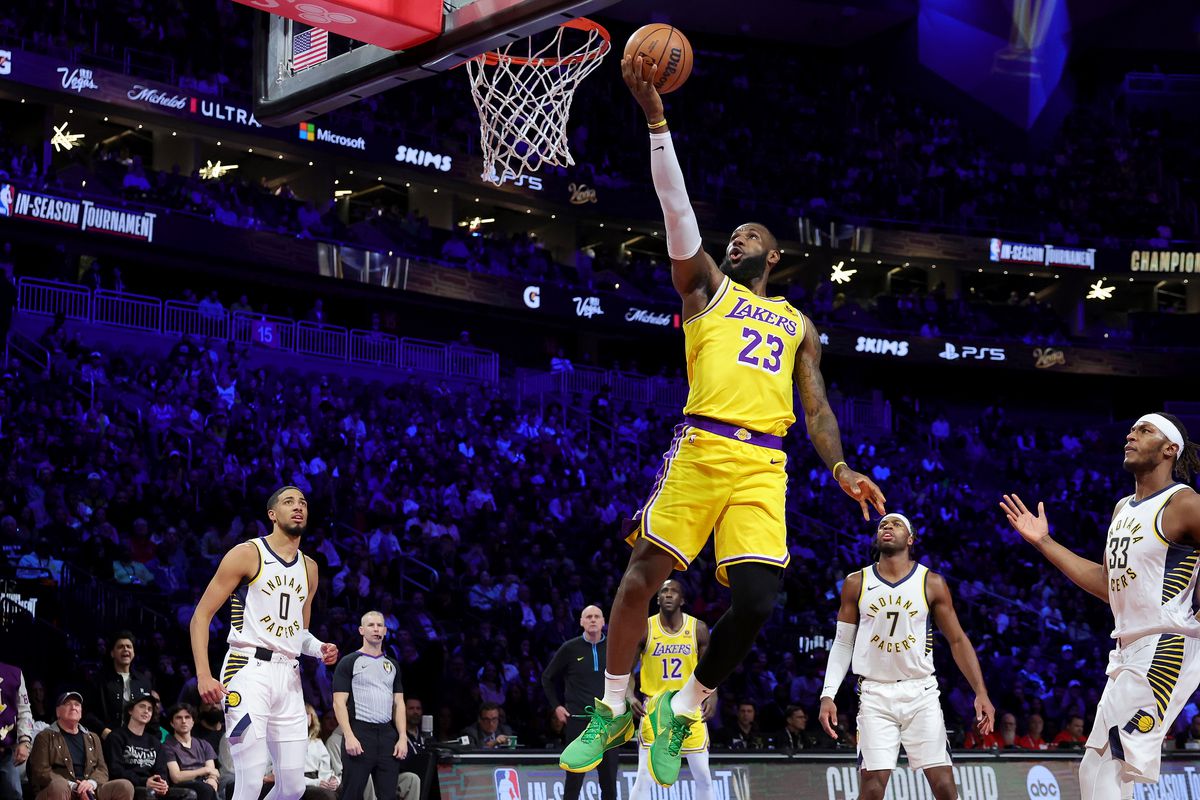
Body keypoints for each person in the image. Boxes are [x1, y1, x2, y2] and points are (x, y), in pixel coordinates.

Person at [561, 53, 887, 789]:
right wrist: (657, 121)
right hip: (703, 446)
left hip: (765, 463)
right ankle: (611, 708)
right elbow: (677, 212)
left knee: (759, 601)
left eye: (748, 237)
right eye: (731, 235)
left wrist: (840, 467)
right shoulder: (705, 288)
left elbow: (816, 407)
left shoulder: (799, 323)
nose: (735, 241)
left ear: (774, 254)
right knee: (641, 577)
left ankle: (683, 706)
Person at [1002, 412, 1200, 800]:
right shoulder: (1123, 508)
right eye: (1132, 428)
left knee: (1110, 761)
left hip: (1167, 647)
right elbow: (1107, 585)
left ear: (1169, 449)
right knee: (1095, 765)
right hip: (1127, 650)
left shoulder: (1185, 503)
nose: (1131, 434)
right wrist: (1043, 542)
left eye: (1144, 430)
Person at [819, 513, 994, 800]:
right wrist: (828, 694)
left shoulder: (931, 582)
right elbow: (842, 643)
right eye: (882, 525)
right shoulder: (856, 582)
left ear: (910, 539)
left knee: (944, 785)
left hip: (920, 691)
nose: (887, 526)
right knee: (872, 787)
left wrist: (981, 692)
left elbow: (958, 640)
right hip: (875, 693)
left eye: (896, 524)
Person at [189, 486, 338, 800]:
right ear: (272, 514)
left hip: (289, 677)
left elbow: (300, 632)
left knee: (294, 788)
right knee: (251, 781)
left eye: (303, 502)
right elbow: (201, 616)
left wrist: (319, 648)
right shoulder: (247, 553)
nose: (298, 507)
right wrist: (203, 674)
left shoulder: (310, 568)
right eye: (289, 502)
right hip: (247, 670)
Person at [627, 581, 713, 800]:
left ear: (682, 600)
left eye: (674, 592)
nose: (668, 594)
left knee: (703, 775)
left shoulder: (698, 629)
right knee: (644, 775)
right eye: (664, 591)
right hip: (655, 709)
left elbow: (711, 670)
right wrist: (629, 695)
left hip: (690, 708)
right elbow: (627, 671)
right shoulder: (644, 628)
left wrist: (714, 696)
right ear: (657, 599)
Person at [542, 606, 619, 800]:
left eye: (597, 616)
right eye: (588, 617)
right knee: (574, 781)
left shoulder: (614, 647)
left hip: (607, 723)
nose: (593, 620)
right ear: (581, 622)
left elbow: (625, 677)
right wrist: (557, 706)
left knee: (609, 782)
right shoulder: (570, 648)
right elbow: (547, 678)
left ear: (603, 622)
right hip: (578, 721)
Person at [332, 612, 406, 800]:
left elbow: (399, 703)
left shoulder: (392, 665)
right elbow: (339, 702)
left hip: (387, 736)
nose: (376, 629)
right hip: (360, 733)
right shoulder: (349, 661)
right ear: (361, 630)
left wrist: (403, 737)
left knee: (388, 796)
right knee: (352, 794)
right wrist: (349, 736)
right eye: (371, 625)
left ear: (385, 630)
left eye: (380, 625)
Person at [28, 692, 134, 800]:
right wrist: (74, 786)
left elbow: (102, 769)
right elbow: (41, 771)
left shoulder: (93, 737)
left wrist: (91, 783)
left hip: (90, 789)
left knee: (125, 786)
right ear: (58, 711)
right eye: (67, 704)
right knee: (59, 786)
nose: (73, 707)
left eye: (77, 704)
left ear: (81, 711)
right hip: (61, 789)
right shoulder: (44, 737)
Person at [104, 691, 191, 800]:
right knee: (149, 794)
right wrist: (144, 782)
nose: (146, 711)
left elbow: (161, 771)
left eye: (150, 709)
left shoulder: (155, 742)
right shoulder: (116, 737)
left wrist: (161, 783)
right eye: (142, 706)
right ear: (130, 710)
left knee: (189, 794)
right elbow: (116, 770)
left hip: (152, 786)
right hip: (131, 786)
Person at [86, 632, 155, 738]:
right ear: (112, 653)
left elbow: (150, 713)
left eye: (129, 646)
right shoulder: (100, 680)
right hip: (107, 738)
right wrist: (104, 731)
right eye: (120, 647)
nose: (125, 649)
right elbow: (88, 713)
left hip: (137, 740)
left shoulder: (143, 681)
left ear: (133, 653)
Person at [162, 704, 219, 800]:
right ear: (172, 723)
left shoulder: (204, 744)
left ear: (193, 722)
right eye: (179, 718)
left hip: (204, 784)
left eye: (187, 717)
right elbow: (176, 777)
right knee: (205, 789)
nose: (184, 721)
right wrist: (204, 770)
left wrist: (212, 779)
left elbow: (212, 771)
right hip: (182, 787)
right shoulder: (167, 746)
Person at [0, 661, 33, 800]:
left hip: (5, 752)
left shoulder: (14, 673)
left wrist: (25, 742)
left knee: (14, 794)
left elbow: (24, 711)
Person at [300, 706, 337, 800]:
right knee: (327, 796)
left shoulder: (317, 743)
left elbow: (326, 769)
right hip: (303, 781)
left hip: (318, 778)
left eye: (307, 715)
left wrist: (332, 780)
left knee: (344, 788)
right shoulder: (288, 744)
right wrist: (316, 782)